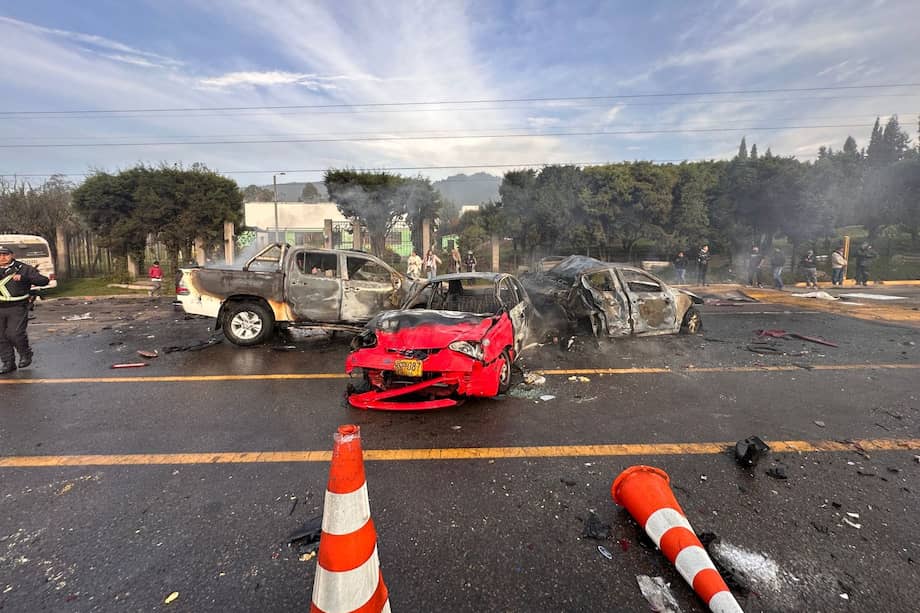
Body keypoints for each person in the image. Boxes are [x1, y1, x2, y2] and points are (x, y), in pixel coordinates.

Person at [0, 245, 50, 374]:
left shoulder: (23, 268)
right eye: (0, 255)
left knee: (14, 333)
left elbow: (44, 281)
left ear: (12, 255)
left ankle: (25, 353)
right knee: (1, 337)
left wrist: (25, 278)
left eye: (5, 254)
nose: (2, 257)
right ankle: (8, 363)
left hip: (17, 307)